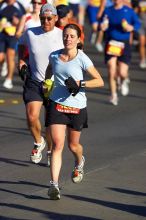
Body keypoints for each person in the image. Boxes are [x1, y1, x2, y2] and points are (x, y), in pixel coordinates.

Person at [45, 23, 104, 200]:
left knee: (73, 146)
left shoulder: (82, 58)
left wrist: (80, 84)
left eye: (72, 36)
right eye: (66, 35)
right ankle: (54, 185)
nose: (68, 39)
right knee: (57, 144)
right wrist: (47, 83)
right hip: (57, 104)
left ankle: (79, 161)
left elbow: (100, 81)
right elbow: (49, 70)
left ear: (78, 39)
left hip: (77, 106)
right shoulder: (54, 55)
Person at [18, 3, 64, 165]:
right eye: (43, 18)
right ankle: (39, 142)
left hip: (55, 84)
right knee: (31, 116)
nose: (46, 22)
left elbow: (74, 54)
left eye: (49, 19)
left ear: (56, 18)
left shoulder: (62, 35)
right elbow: (21, 44)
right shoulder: (30, 33)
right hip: (34, 81)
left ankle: (51, 151)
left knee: (50, 122)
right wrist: (22, 61)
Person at [101, 0, 140, 105]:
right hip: (111, 42)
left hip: (124, 43)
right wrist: (103, 26)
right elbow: (103, 22)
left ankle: (124, 79)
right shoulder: (108, 10)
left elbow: (137, 24)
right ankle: (113, 95)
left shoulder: (129, 10)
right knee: (111, 69)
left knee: (122, 72)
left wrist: (130, 27)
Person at [0, 0, 26, 89]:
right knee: (1, 57)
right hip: (2, 34)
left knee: (10, 55)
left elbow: (24, 20)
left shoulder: (19, 6)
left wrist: (18, 22)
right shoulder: (2, 4)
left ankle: (9, 79)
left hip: (13, 35)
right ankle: (4, 64)